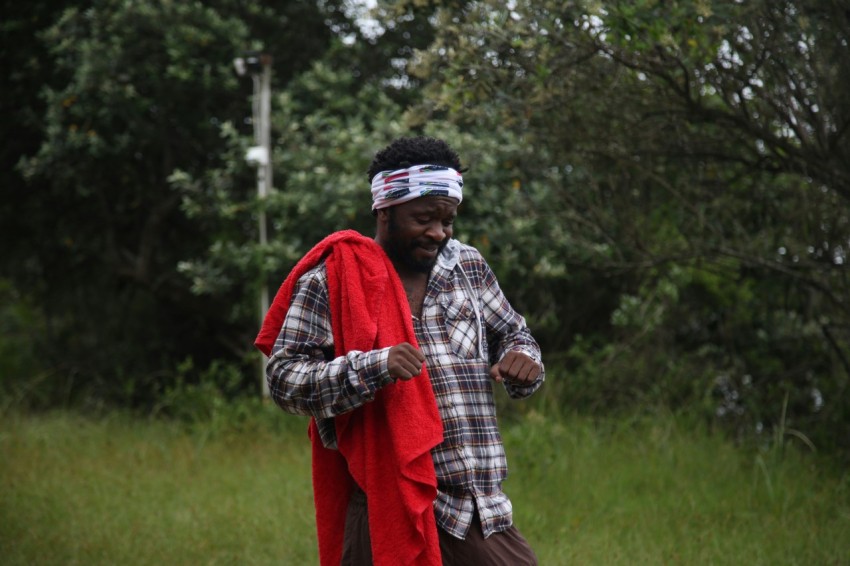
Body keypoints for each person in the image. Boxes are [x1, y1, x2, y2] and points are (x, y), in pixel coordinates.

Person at [255, 136, 544, 566]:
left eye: (448, 220)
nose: (439, 233)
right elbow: (283, 378)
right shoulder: (335, 278)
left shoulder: (467, 265)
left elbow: (515, 335)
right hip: (382, 506)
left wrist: (525, 361)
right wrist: (374, 367)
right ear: (384, 210)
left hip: (477, 510)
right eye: (424, 218)